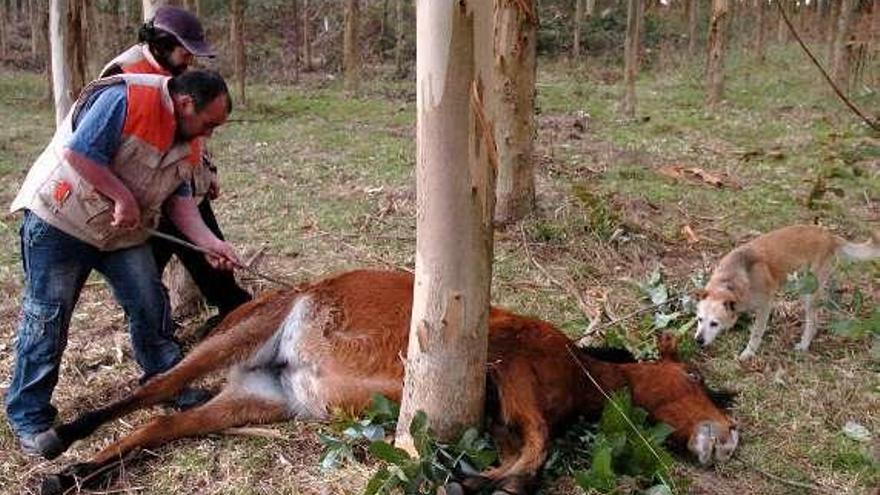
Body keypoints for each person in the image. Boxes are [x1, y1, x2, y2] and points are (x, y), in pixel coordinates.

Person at [6, 69, 239, 458]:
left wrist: (210, 243)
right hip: (62, 219)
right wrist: (121, 196)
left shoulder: (191, 139)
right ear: (185, 104)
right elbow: (79, 153)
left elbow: (180, 202)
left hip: (120, 234)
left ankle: (168, 383)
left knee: (149, 301)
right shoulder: (128, 98)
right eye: (208, 122)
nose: (209, 133)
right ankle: (29, 417)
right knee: (47, 317)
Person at [101, 5, 251, 333]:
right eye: (186, 52)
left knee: (212, 256)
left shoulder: (178, 74)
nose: (190, 61)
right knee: (143, 276)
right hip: (147, 192)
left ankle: (236, 316)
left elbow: (196, 128)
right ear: (161, 43)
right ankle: (157, 337)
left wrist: (206, 171)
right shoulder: (123, 72)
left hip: (184, 185)